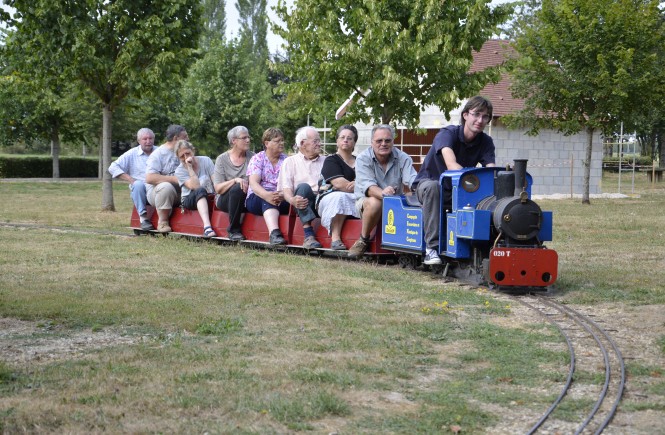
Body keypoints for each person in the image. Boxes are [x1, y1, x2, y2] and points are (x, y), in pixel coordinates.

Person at [413, 96, 496, 265]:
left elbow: (491, 171)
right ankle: (431, 248)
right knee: (434, 187)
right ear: (465, 115)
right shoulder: (447, 134)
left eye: (485, 116)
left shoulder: (486, 141)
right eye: (476, 114)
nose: (480, 120)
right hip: (429, 184)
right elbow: (451, 165)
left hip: (459, 189)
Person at [348, 124, 417, 258]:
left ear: (393, 141)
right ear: (372, 142)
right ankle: (363, 239)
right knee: (376, 202)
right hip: (366, 202)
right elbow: (369, 188)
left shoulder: (403, 157)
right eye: (379, 141)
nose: (383, 144)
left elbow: (412, 180)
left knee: (414, 196)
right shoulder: (363, 158)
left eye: (387, 140)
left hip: (395, 202)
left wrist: (422, 188)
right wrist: (384, 194)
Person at [277, 126, 326, 249]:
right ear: (303, 143)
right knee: (303, 187)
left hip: (323, 200)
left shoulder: (327, 161)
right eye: (315, 141)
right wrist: (292, 200)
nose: (319, 144)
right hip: (302, 201)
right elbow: (286, 189)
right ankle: (309, 235)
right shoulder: (290, 162)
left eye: (319, 140)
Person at [316, 124, 360, 250]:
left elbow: (369, 181)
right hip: (329, 198)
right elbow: (340, 184)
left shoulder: (361, 161)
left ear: (354, 142)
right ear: (337, 141)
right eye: (342, 137)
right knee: (340, 196)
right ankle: (335, 238)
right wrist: (359, 185)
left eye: (349, 138)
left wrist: (358, 184)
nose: (345, 140)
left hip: (356, 196)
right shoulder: (331, 160)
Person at [245, 128, 290, 245]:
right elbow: (253, 184)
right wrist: (267, 195)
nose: (281, 143)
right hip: (257, 197)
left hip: (282, 197)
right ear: (267, 143)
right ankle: (274, 233)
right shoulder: (258, 158)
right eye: (277, 141)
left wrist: (283, 195)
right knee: (269, 199)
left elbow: (291, 184)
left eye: (282, 140)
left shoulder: (287, 160)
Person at [108, 128, 157, 231]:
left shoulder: (160, 152)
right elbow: (113, 167)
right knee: (138, 185)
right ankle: (143, 219)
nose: (148, 141)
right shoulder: (131, 154)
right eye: (145, 139)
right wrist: (131, 180)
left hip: (157, 187)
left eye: (150, 138)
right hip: (141, 190)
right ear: (139, 141)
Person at [214, 126, 255, 241]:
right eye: (244, 138)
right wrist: (235, 180)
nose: (248, 140)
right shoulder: (221, 159)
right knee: (238, 188)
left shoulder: (253, 157)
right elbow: (218, 189)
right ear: (234, 141)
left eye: (248, 137)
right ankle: (234, 230)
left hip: (247, 197)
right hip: (225, 199)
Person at [145, 124, 189, 233]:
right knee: (166, 187)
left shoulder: (184, 152)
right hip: (158, 194)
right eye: (185, 137)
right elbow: (149, 178)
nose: (188, 139)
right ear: (176, 138)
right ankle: (163, 222)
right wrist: (174, 179)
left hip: (181, 192)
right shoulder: (158, 154)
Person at [174, 140, 217, 238]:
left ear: (193, 151)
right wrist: (189, 167)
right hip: (189, 199)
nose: (186, 157)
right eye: (182, 156)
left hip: (210, 194)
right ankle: (207, 227)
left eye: (187, 153)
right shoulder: (179, 171)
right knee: (200, 190)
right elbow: (196, 186)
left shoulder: (206, 160)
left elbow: (216, 181)